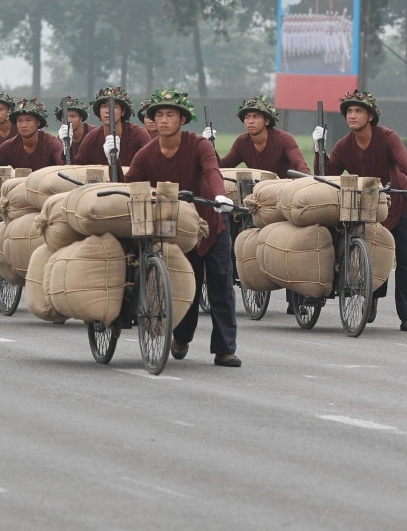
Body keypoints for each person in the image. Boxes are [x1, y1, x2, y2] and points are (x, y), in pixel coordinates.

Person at [126, 88, 241, 368]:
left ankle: (224, 349)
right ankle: (181, 337)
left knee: (220, 286)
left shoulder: (199, 145)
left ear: (183, 119)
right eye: (159, 115)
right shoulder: (146, 154)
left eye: (170, 115)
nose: (164, 120)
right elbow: (129, 185)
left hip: (210, 222)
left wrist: (219, 196)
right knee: (185, 284)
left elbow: (212, 170)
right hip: (174, 229)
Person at [313, 89, 407, 332]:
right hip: (370, 206)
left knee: (405, 260)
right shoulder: (343, 145)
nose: (352, 115)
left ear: (370, 116)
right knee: (373, 255)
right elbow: (326, 175)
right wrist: (318, 147)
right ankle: (371, 299)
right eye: (349, 111)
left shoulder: (388, 137)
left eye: (358, 111)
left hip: (399, 203)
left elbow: (405, 164)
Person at [215, 95, 308, 178]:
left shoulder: (284, 140)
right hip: (257, 192)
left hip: (284, 190)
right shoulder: (241, 142)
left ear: (267, 121)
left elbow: (300, 166)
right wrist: (210, 146)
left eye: (256, 117)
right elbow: (222, 167)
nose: (250, 121)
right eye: (247, 117)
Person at [73, 86, 153, 173]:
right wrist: (67, 149)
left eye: (114, 106)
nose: (108, 111)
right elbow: (78, 169)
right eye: (104, 106)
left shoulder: (138, 134)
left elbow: (151, 161)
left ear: (123, 112)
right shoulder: (91, 139)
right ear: (99, 112)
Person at [0, 99, 65, 170]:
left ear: (38, 122)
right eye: (19, 121)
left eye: (28, 120)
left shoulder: (52, 143)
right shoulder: (8, 146)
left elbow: (65, 166)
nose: (23, 125)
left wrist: (67, 147)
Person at [55, 96, 93, 160]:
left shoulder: (92, 134)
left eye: (73, 116)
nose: (68, 120)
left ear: (80, 119)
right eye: (64, 117)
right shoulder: (60, 139)